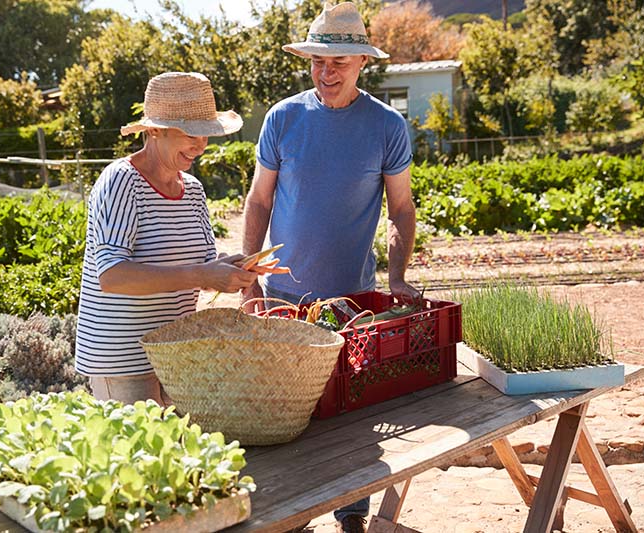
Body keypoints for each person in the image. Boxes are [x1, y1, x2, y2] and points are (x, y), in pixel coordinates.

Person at [240, 3, 419, 532]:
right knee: (282, 415)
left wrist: (398, 276)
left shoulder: (386, 126)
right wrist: (249, 278)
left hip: (351, 303)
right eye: (318, 60)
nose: (326, 71)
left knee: (351, 418)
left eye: (338, 59)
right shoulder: (283, 118)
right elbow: (258, 202)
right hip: (283, 302)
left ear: (362, 61)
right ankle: (293, 518)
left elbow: (402, 208)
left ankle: (352, 516)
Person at [75, 72, 258, 406]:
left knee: (183, 454)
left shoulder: (193, 191)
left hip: (177, 356)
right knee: (138, 456)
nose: (201, 145)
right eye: (191, 133)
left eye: (206, 134)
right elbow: (112, 276)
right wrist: (203, 275)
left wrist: (227, 268)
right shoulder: (121, 181)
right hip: (124, 358)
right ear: (155, 130)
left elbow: (200, 266)